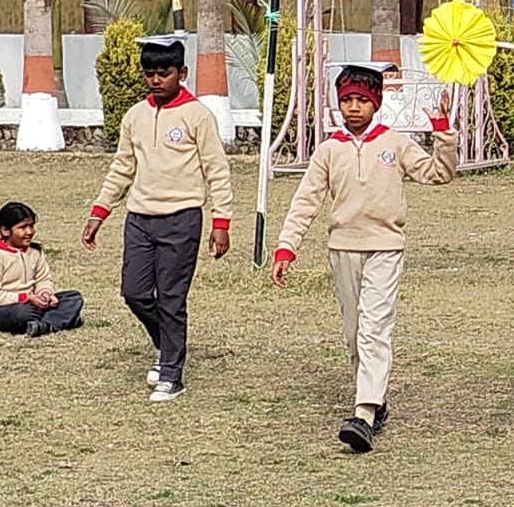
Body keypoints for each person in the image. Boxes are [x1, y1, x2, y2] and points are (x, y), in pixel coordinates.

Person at [271, 64, 458, 452]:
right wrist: (287, 246)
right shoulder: (329, 149)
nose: (354, 108)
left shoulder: (395, 143)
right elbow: (306, 201)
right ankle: (376, 396)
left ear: (376, 102)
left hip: (385, 248)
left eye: (361, 100)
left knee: (375, 328)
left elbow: (438, 174)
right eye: (347, 101)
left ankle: (364, 413)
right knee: (356, 333)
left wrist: (442, 132)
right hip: (342, 249)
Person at [81, 35, 233, 402]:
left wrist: (221, 222)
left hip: (182, 219)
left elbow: (218, 170)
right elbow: (122, 167)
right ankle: (166, 346)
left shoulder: (198, 116)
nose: (155, 80)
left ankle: (172, 375)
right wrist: (100, 211)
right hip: (139, 218)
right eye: (149, 74)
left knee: (171, 298)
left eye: (163, 73)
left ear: (181, 73)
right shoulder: (135, 116)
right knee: (133, 293)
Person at [0, 201, 84, 337]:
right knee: (24, 313)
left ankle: (44, 326)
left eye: (31, 226)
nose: (29, 232)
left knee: (73, 298)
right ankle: (62, 320)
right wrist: (26, 297)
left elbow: (43, 279)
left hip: (33, 303)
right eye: (22, 227)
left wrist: (46, 294)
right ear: (5, 230)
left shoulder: (35, 251)